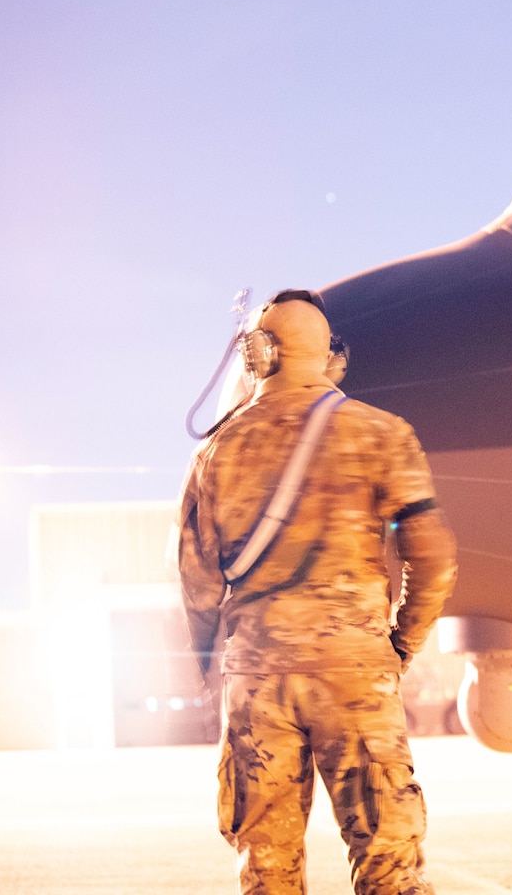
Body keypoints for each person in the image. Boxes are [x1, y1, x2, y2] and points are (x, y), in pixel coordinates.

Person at [176, 289, 457, 895]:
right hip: (355, 674)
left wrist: (207, 664)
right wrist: (400, 645)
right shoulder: (381, 434)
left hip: (257, 683)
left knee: (267, 871)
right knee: (388, 863)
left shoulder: (215, 452)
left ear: (259, 355)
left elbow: (198, 583)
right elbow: (433, 557)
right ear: (329, 354)